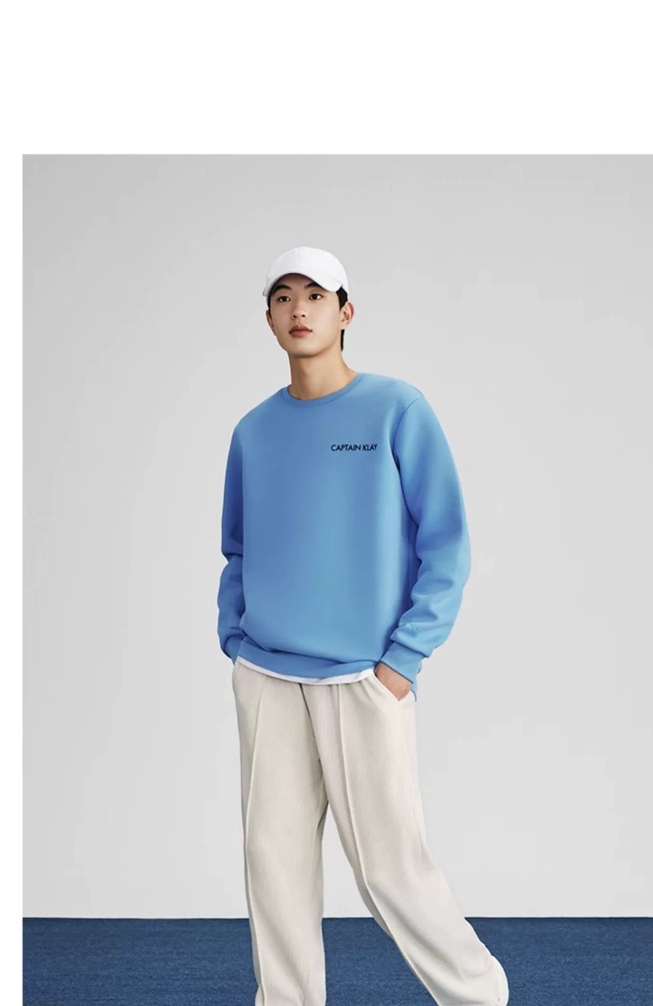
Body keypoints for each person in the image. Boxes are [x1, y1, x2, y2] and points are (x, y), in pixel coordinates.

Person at [217, 246, 509, 1005]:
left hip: (363, 677)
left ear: (346, 312)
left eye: (316, 294)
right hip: (267, 674)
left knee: (390, 870)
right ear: (268, 317)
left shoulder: (396, 409)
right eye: (283, 296)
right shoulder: (253, 431)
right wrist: (234, 639)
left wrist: (403, 660)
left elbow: (447, 543)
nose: (299, 308)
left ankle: (480, 996)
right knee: (273, 865)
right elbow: (238, 548)